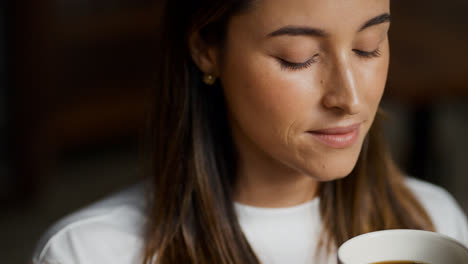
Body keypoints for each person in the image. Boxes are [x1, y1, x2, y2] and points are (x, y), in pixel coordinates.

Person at [32, 0, 468, 263]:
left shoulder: (433, 223)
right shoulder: (88, 253)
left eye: (368, 47)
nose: (350, 98)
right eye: (298, 57)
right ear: (206, 48)